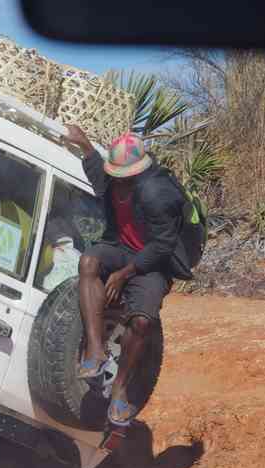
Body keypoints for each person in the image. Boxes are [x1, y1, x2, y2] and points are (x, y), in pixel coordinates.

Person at [64, 125, 192, 430]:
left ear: (138, 171)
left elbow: (163, 246)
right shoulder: (115, 180)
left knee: (143, 322)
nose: (117, 180)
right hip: (119, 248)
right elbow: (99, 178)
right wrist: (86, 146)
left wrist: (124, 274)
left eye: (122, 175)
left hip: (152, 263)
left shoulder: (158, 193)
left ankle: (120, 389)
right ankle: (95, 352)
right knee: (89, 261)